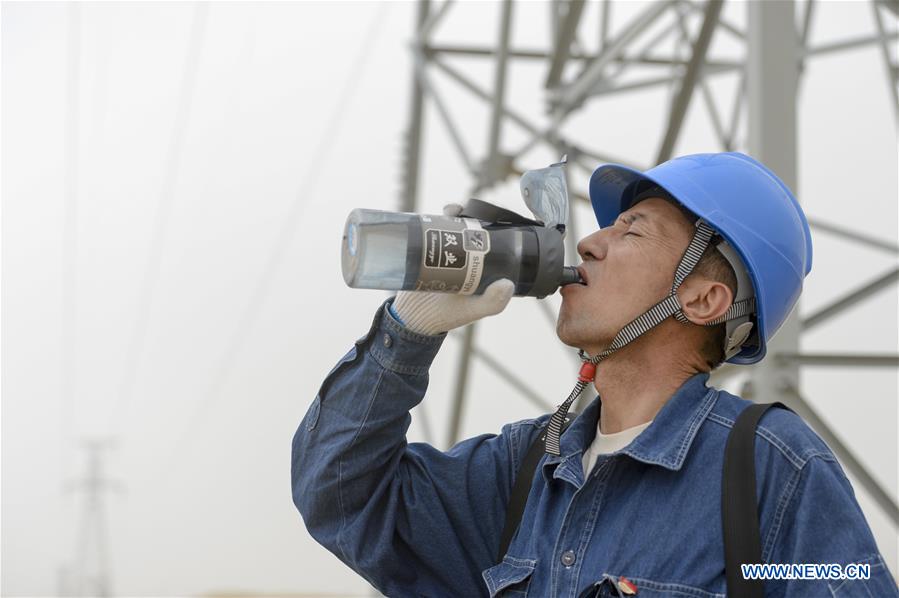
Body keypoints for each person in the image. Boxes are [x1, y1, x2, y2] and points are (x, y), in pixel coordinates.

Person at [292, 152, 897, 597]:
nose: (587, 243)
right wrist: (410, 331)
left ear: (704, 299)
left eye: (631, 230)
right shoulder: (524, 473)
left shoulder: (771, 468)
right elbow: (341, 498)